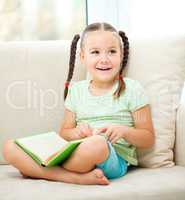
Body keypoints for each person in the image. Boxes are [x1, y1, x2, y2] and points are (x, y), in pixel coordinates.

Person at [3, 22, 154, 185]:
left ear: (121, 55)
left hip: (112, 158)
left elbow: (148, 138)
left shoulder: (132, 88)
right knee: (9, 147)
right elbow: (64, 132)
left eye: (112, 52)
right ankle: (74, 177)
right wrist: (77, 132)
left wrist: (124, 131)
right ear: (83, 57)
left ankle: (40, 169)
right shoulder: (77, 90)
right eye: (95, 52)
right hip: (77, 152)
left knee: (96, 143)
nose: (104, 59)